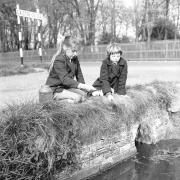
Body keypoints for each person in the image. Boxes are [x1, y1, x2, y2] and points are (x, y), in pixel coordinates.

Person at [45, 35, 96, 103]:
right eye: (73, 51)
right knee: (77, 98)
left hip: (67, 87)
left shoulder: (75, 59)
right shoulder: (59, 60)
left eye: (76, 51)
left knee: (85, 96)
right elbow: (65, 79)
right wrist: (83, 86)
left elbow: (79, 75)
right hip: (55, 89)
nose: (75, 54)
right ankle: (56, 102)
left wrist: (84, 89)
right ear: (65, 47)